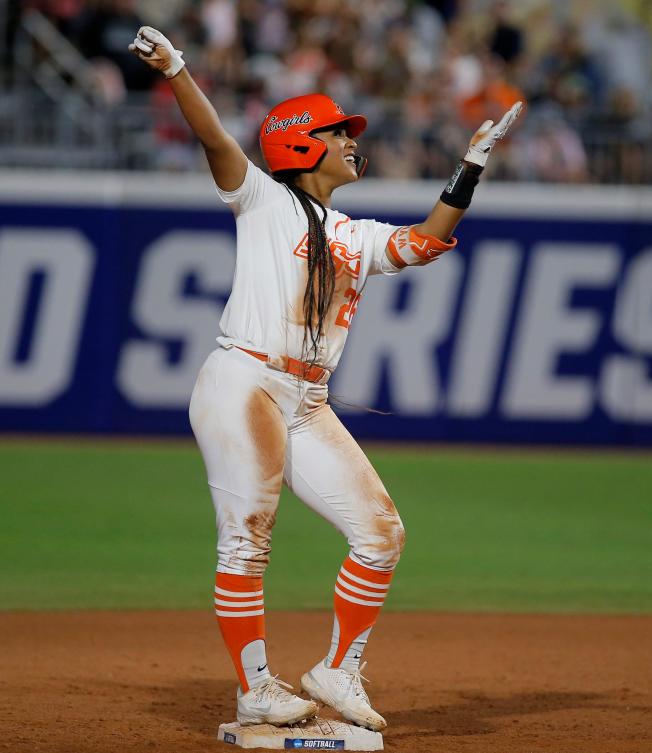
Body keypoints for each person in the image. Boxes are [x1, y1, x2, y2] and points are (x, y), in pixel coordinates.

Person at [128, 26, 521, 731]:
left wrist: (470, 167)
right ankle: (254, 687)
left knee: (381, 531)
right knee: (247, 537)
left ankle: (335, 670)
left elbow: (424, 241)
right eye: (338, 132)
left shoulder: (352, 231)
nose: (350, 141)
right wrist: (178, 70)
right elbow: (218, 141)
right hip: (245, 381)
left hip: (306, 399)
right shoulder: (261, 202)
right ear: (302, 143)